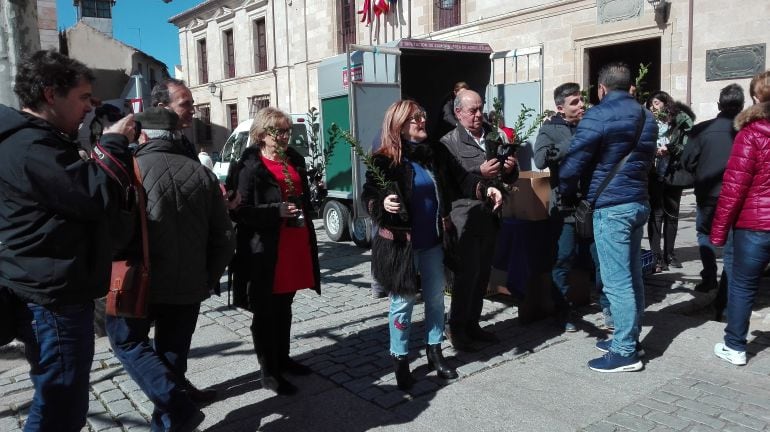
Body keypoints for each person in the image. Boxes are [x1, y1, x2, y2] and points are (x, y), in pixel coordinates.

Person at [0, 50, 134, 432]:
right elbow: (96, 195)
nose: (89, 107)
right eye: (82, 97)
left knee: (59, 399)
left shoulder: (38, 141)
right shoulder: (30, 147)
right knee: (61, 405)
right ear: (49, 95)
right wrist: (113, 144)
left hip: (51, 288)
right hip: (53, 298)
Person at [106, 107, 234, 432]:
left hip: (139, 283)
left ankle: (177, 406)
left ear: (143, 135)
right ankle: (167, 425)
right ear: (175, 135)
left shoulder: (129, 168)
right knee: (172, 356)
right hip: (189, 285)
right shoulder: (201, 173)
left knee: (127, 343)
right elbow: (224, 235)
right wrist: (209, 277)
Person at [362, 100, 503, 390]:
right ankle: (400, 359)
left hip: (433, 242)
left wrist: (485, 188)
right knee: (402, 303)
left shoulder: (435, 153)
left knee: (437, 299)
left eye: (423, 115)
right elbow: (369, 194)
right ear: (399, 124)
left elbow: (462, 180)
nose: (422, 121)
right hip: (401, 246)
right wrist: (381, 203)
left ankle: (434, 351)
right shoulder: (384, 160)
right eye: (415, 118)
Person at [560, 62, 657, 372]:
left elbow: (574, 163)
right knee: (632, 276)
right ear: (630, 86)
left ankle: (625, 349)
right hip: (638, 202)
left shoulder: (598, 116)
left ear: (601, 89)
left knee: (617, 282)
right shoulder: (647, 116)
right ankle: (631, 339)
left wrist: (566, 189)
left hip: (611, 206)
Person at [232, 107, 321, 395]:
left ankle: (283, 359)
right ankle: (268, 370)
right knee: (266, 311)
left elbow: (302, 196)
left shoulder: (293, 158)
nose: (285, 136)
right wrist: (275, 211)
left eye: (287, 131)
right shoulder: (249, 165)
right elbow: (240, 212)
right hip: (266, 249)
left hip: (294, 243)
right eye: (278, 131)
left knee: (285, 307)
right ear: (262, 133)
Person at [439, 89, 518, 352]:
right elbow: (450, 182)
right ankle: (456, 327)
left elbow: (509, 177)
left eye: (480, 108)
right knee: (466, 275)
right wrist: (478, 171)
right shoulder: (449, 142)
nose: (478, 114)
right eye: (472, 110)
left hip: (491, 215)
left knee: (483, 274)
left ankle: (473, 324)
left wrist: (510, 169)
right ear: (458, 112)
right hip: (465, 217)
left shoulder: (493, 136)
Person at [534, 82, 608, 332]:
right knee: (563, 259)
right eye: (575, 102)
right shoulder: (550, 129)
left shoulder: (592, 125)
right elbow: (540, 159)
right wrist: (573, 143)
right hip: (565, 207)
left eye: (581, 100)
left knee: (601, 259)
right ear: (560, 107)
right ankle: (563, 312)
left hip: (592, 203)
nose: (582, 105)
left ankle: (607, 307)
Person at [711, 70, 770, 366]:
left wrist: (718, 234)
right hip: (756, 223)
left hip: (755, 226)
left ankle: (735, 346)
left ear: (756, 97)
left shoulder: (751, 134)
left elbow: (734, 189)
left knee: (743, 286)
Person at [681, 84, 743, 311]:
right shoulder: (749, 130)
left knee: (705, 233)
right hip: (738, 196)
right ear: (742, 105)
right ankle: (727, 288)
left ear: (719, 105)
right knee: (733, 242)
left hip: (708, 193)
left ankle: (709, 278)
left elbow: (687, 162)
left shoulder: (701, 130)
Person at [646, 91, 696, 272]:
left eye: (657, 102)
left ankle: (670, 254)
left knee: (672, 215)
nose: (653, 106)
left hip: (674, 172)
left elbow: (688, 144)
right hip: (655, 172)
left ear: (666, 103)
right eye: (651, 103)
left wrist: (671, 148)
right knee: (656, 214)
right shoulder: (648, 122)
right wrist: (654, 150)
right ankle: (655, 256)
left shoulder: (679, 122)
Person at [151, 78, 198, 160]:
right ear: (162, 108)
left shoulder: (182, 141)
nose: (192, 111)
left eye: (191, 103)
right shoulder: (155, 149)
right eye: (185, 104)